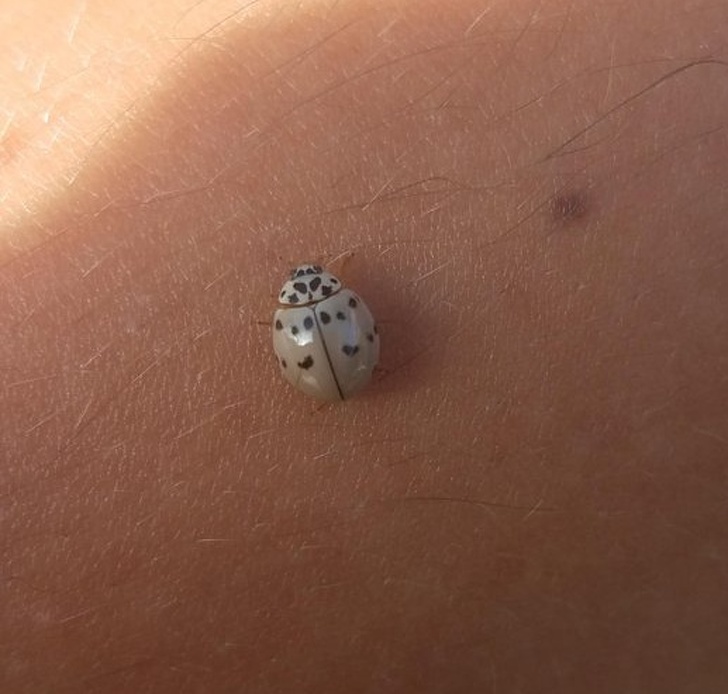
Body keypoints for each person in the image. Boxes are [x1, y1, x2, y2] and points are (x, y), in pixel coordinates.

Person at [3, 1, 727, 691]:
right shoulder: (341, 308)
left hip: (341, 374)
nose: (308, 283)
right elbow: (362, 331)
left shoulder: (298, 320)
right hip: (351, 369)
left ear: (299, 297)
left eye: (306, 282)